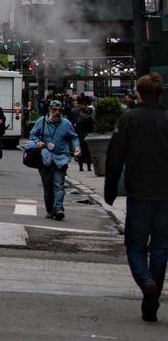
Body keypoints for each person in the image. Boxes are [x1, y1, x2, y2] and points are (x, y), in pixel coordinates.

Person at [105, 73, 168, 322]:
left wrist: (110, 190)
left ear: (139, 94)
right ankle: (152, 297)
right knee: (162, 248)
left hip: (139, 192)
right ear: (160, 94)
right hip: (165, 194)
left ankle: (146, 281)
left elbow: (114, 156)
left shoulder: (129, 118)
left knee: (135, 246)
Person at [25, 99, 80, 221]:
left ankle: (59, 208)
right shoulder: (42, 122)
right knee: (47, 185)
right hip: (45, 159)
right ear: (50, 110)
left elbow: (74, 137)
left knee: (59, 184)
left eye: (59, 110)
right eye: (54, 110)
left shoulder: (66, 124)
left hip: (61, 159)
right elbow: (32, 134)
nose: (57, 112)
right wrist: (37, 142)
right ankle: (50, 209)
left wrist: (77, 148)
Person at [76, 98, 96, 172]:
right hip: (88, 135)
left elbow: (77, 128)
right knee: (88, 152)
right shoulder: (89, 119)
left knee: (81, 152)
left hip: (81, 136)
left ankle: (81, 167)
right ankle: (89, 167)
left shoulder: (80, 119)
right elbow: (92, 127)